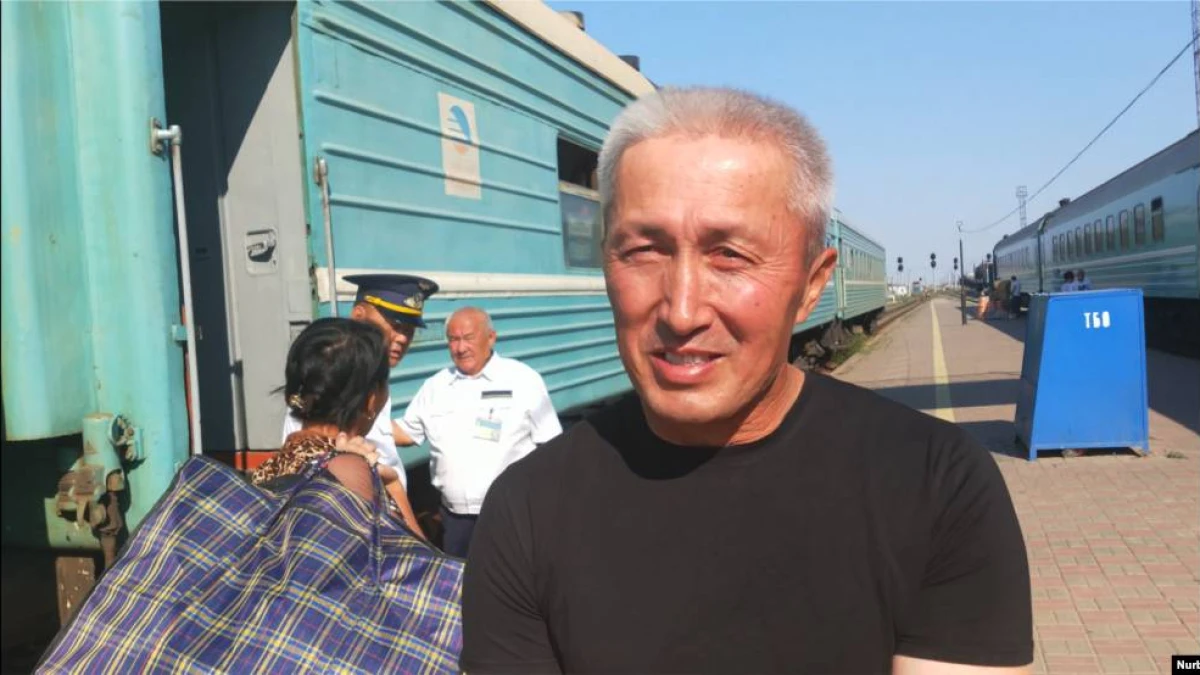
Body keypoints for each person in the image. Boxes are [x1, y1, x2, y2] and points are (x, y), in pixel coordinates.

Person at [461, 87, 1033, 674]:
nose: (682, 311)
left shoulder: (936, 485)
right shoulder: (526, 513)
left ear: (812, 285)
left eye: (730, 255)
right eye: (645, 250)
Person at [393, 307, 562, 558]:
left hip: (509, 516)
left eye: (468, 338)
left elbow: (551, 446)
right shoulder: (436, 386)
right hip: (455, 520)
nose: (460, 348)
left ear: (491, 338)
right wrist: (362, 423)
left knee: (511, 580)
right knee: (462, 579)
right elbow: (407, 432)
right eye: (453, 339)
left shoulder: (522, 380)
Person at [252, 318, 423, 535]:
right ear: (371, 399)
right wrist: (394, 487)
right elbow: (415, 553)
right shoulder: (353, 475)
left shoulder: (269, 468)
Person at [282, 274, 439, 492]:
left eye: (409, 330)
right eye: (395, 325)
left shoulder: (374, 382)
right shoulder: (330, 386)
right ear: (358, 316)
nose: (403, 338)